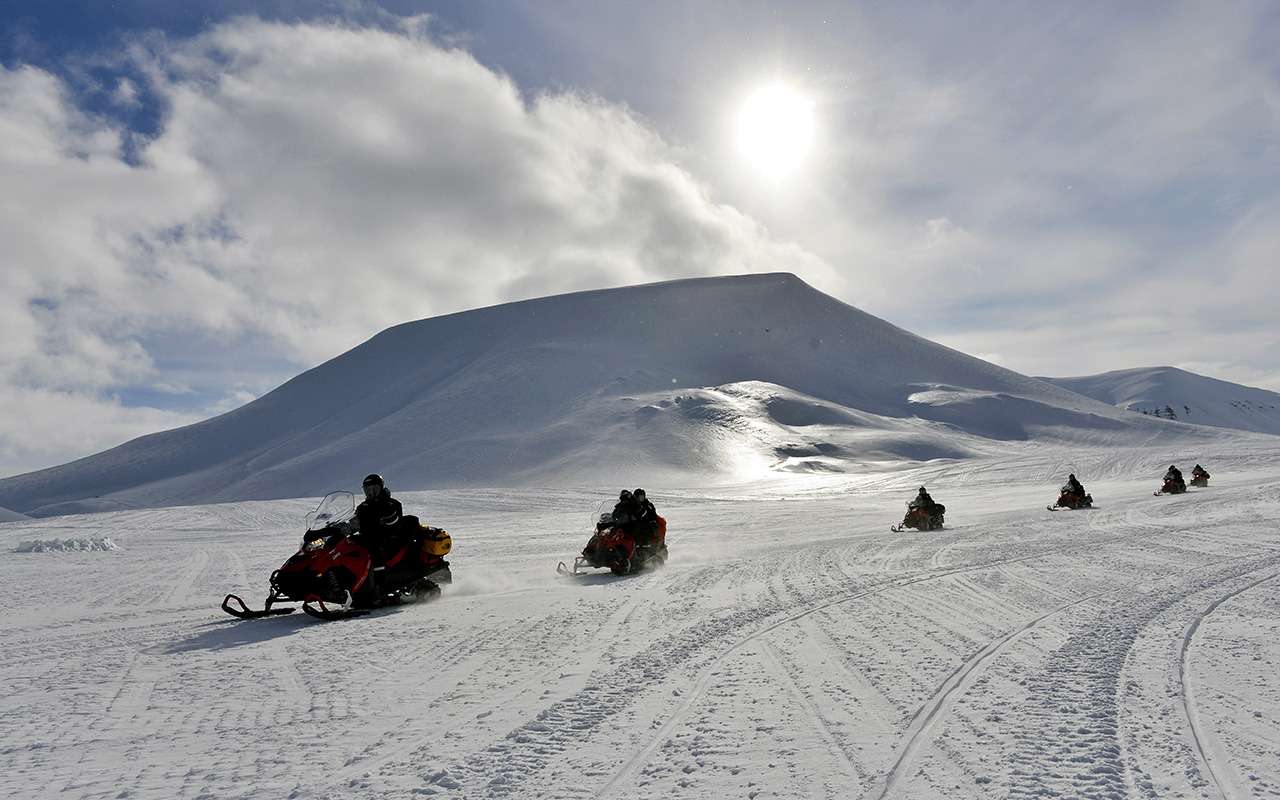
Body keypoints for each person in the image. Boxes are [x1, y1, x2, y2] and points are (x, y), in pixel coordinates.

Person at [354, 473, 405, 564]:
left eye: (374, 489)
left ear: (380, 488)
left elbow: (393, 524)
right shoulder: (362, 507)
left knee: (375, 550)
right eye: (367, 490)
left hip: (387, 538)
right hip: (367, 537)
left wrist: (383, 516)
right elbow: (355, 520)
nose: (370, 492)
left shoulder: (391, 504)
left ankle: (378, 576)